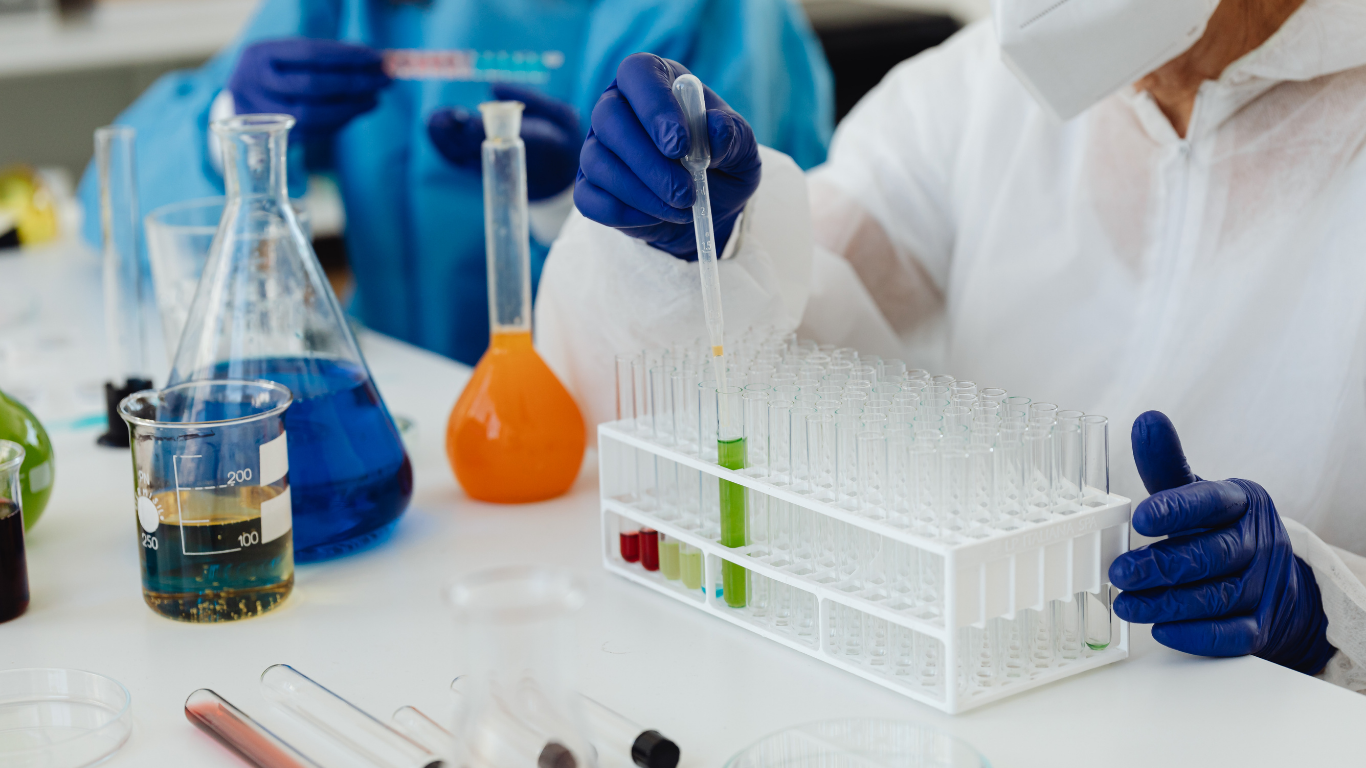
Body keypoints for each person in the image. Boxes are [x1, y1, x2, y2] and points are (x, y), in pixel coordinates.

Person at [534, 0, 1366, 691]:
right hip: (981, 694)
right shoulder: (972, 94)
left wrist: (1323, 608)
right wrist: (696, 248)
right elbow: (788, 335)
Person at [77, 0, 833, 366]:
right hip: (408, 407)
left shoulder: (708, 14)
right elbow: (108, 200)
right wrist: (229, 121)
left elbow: (768, 289)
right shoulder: (345, 8)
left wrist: (566, 206)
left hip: (613, 442)